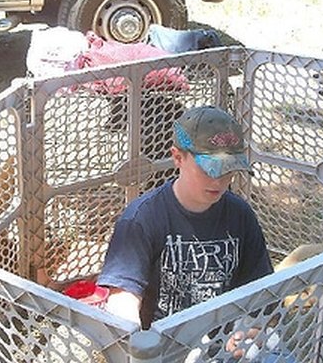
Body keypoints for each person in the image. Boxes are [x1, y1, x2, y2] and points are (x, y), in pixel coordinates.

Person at [97, 105, 273, 329]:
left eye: (228, 170)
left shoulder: (241, 214)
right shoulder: (142, 218)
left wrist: (251, 330)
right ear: (178, 158)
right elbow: (123, 301)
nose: (219, 181)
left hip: (224, 344)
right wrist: (138, 346)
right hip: (165, 348)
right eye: (209, 169)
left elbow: (261, 293)